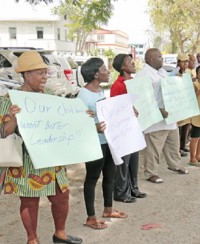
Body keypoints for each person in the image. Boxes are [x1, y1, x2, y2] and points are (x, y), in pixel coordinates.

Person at [0, 51, 82, 244]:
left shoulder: (48, 95)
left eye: (46, 73)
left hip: (51, 157)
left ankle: (60, 233)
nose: (45, 77)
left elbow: (61, 120)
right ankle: (32, 240)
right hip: (27, 161)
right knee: (30, 202)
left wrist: (82, 116)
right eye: (40, 73)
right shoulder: (10, 100)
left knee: (61, 197)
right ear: (26, 75)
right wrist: (12, 119)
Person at [78, 57, 128, 230]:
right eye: (104, 69)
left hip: (108, 140)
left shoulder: (100, 91)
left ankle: (108, 209)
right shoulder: (82, 95)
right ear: (95, 74)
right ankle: (91, 217)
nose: (108, 72)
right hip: (94, 143)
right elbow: (78, 123)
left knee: (110, 175)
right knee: (92, 178)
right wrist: (94, 128)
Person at [135, 48, 189, 184]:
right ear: (151, 59)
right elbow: (143, 99)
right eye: (159, 57)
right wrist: (158, 109)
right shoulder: (143, 75)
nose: (162, 59)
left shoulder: (162, 71)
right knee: (154, 147)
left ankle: (175, 165)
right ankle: (150, 173)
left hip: (169, 116)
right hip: (155, 118)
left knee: (173, 142)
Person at [110, 53, 147, 203]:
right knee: (123, 162)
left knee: (133, 160)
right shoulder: (118, 85)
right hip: (123, 129)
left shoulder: (134, 82)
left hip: (135, 127)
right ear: (123, 67)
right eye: (130, 62)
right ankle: (121, 192)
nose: (133, 64)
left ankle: (133, 188)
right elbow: (115, 109)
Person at [176, 53, 192, 157]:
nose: (185, 63)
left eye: (187, 61)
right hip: (178, 104)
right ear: (178, 62)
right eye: (183, 61)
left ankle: (182, 146)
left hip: (187, 103)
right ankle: (177, 149)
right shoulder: (175, 74)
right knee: (178, 129)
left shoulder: (188, 73)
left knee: (186, 126)